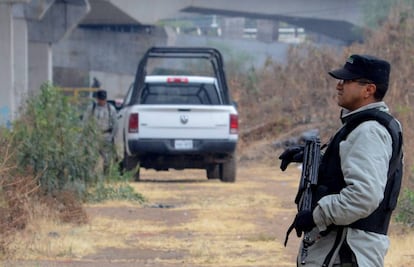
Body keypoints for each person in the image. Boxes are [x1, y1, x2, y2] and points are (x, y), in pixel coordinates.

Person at [279, 54, 403, 266]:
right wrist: (316, 160)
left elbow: (364, 195)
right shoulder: (360, 125)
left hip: (347, 251)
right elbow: (344, 174)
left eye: (347, 80)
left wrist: (316, 215)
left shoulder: (369, 131)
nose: (339, 85)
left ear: (368, 90)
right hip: (341, 248)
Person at [83, 89, 118, 174]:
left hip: (106, 136)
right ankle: (91, 176)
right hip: (93, 137)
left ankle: (105, 176)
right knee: (92, 158)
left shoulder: (111, 109)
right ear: (97, 99)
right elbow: (85, 122)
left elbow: (115, 125)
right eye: (100, 99)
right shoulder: (91, 108)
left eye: (103, 99)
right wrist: (87, 135)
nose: (102, 101)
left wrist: (112, 136)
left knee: (107, 159)